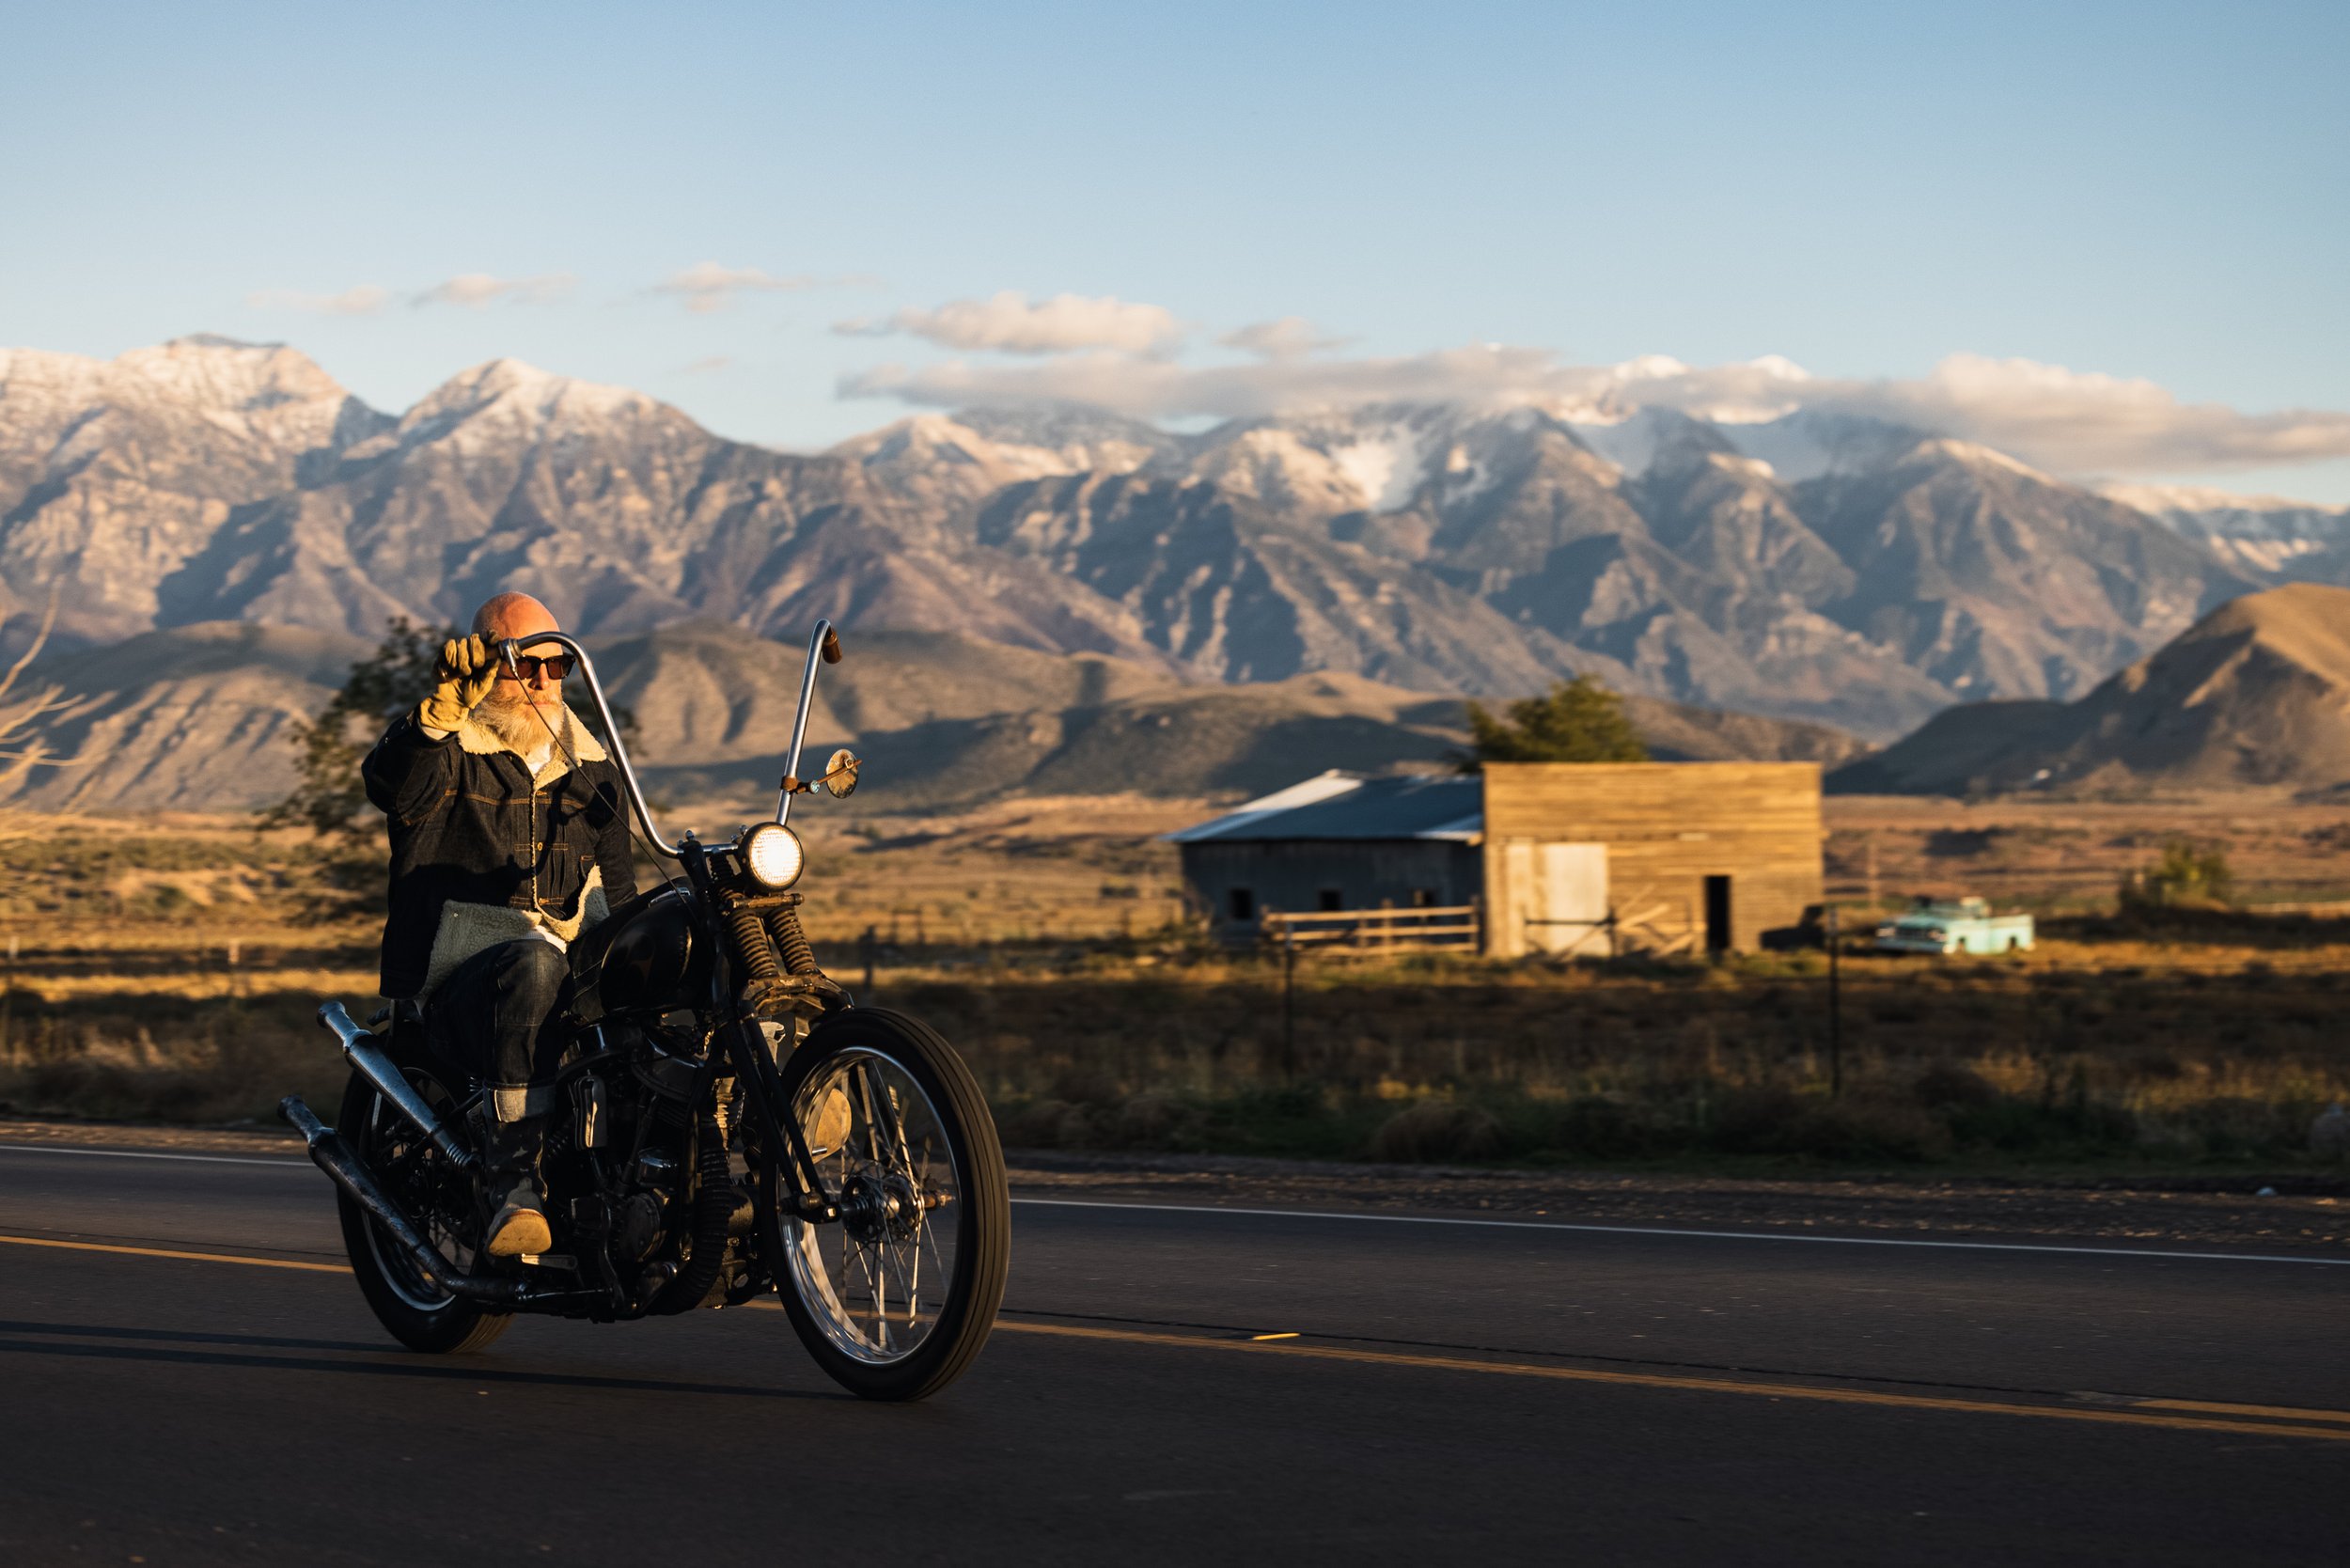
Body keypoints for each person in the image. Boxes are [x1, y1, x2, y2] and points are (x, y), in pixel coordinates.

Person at [362, 591, 637, 1256]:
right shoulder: (448, 747)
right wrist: (433, 718)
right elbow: (390, 788)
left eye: (557, 666)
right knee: (533, 962)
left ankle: (781, 1111)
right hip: (460, 984)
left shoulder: (593, 768)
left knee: (681, 937)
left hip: (568, 979)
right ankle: (511, 1183)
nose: (544, 682)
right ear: (485, 664)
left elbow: (622, 893)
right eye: (524, 666)